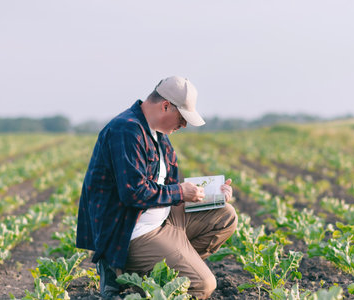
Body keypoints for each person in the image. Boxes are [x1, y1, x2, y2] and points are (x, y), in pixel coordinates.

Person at [76, 76, 238, 299]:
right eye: (182, 119)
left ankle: (167, 266)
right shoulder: (126, 131)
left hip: (163, 220)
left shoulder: (158, 135)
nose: (183, 126)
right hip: (131, 232)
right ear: (165, 106)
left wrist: (212, 194)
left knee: (225, 215)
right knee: (203, 285)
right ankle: (121, 269)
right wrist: (181, 192)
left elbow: (167, 187)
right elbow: (133, 192)